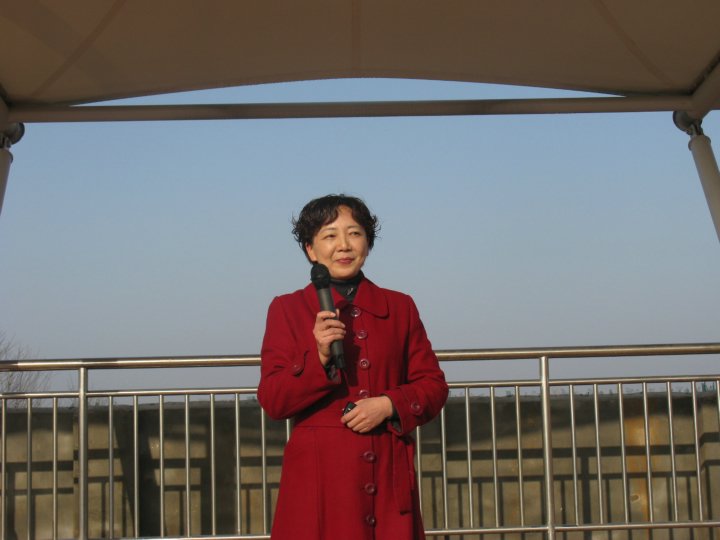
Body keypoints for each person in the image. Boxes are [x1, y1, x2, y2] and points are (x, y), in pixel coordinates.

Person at [257, 194, 448, 540]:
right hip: (319, 482)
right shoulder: (287, 309)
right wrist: (318, 357)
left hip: (387, 474)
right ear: (310, 249)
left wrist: (388, 405)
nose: (344, 245)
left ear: (368, 243)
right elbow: (273, 400)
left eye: (354, 233)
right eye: (330, 235)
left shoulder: (400, 306)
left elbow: (433, 386)